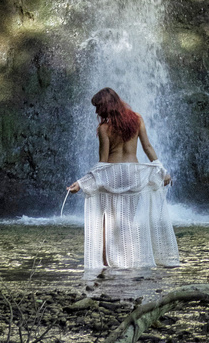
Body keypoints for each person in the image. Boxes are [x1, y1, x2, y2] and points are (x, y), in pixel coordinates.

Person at [67, 87, 179, 273]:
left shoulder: (104, 128)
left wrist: (82, 183)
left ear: (107, 106)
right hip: (134, 176)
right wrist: (162, 171)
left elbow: (102, 164)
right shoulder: (137, 119)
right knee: (131, 224)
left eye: (99, 107)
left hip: (114, 177)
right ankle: (131, 263)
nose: (96, 112)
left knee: (106, 224)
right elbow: (148, 148)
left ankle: (105, 265)